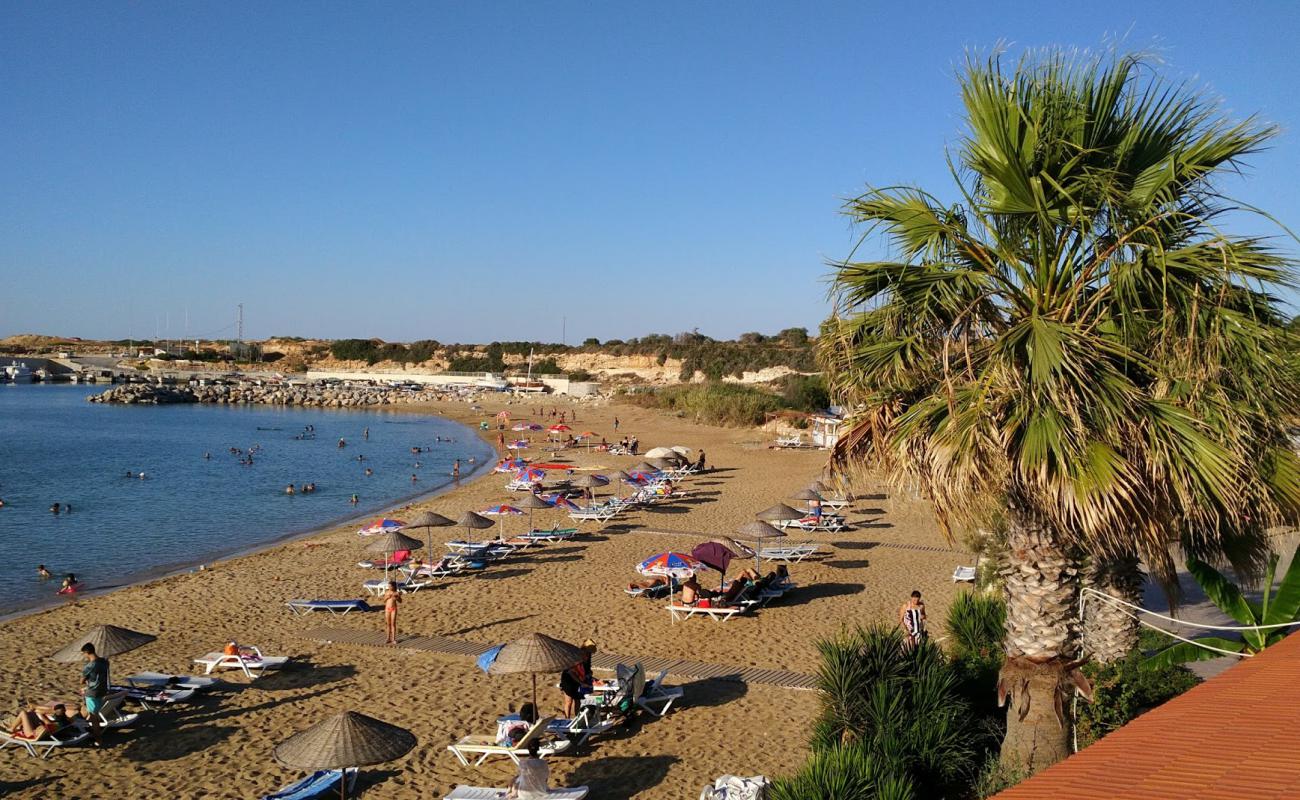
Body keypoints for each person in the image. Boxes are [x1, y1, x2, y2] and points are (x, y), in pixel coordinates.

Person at [80, 643, 108, 745]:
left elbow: (81, 680)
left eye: (84, 654)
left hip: (92, 693)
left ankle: (98, 739)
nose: (84, 656)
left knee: (93, 716)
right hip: (102, 690)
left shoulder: (89, 666)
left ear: (87, 652)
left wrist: (86, 679)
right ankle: (97, 734)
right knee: (96, 711)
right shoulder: (104, 662)